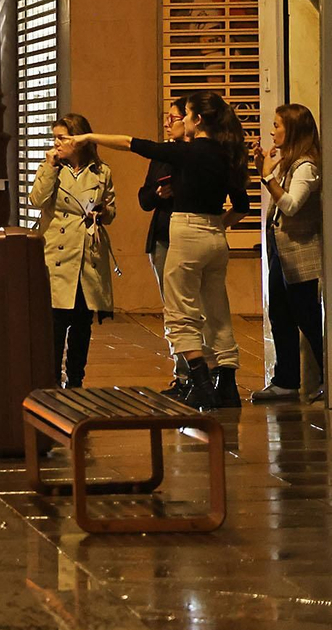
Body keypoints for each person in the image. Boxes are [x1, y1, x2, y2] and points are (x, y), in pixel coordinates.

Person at [66, 91, 252, 409]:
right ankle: (228, 386)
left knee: (180, 314)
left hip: (188, 233)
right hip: (215, 237)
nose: (181, 120)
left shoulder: (189, 152)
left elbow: (132, 143)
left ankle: (201, 383)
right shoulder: (226, 154)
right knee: (218, 311)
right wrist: (219, 224)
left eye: (187, 114)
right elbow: (242, 205)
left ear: (197, 120)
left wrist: (90, 135)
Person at [29, 114, 116, 389]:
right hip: (57, 254)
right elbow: (37, 200)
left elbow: (112, 208)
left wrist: (104, 212)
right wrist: (50, 166)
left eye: (62, 138)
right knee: (55, 324)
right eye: (55, 137)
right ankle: (51, 378)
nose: (57, 143)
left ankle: (76, 378)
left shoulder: (101, 171)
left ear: (78, 139)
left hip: (88, 255)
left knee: (82, 324)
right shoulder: (54, 168)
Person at [252, 104, 324, 403]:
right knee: (280, 315)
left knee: (308, 319)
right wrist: (263, 169)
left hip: (300, 255)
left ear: (292, 129)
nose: (272, 131)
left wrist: (267, 178)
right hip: (281, 255)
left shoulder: (306, 166)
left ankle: (326, 376)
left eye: (277, 125)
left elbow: (292, 205)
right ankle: (286, 381)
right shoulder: (288, 162)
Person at [137, 99, 185, 379]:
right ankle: (182, 369)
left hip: (187, 237)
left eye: (174, 117)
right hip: (161, 238)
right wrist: (157, 194)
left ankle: (205, 369)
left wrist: (178, 192)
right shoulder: (161, 156)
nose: (168, 122)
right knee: (171, 306)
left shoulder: (196, 155)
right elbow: (143, 199)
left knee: (191, 306)